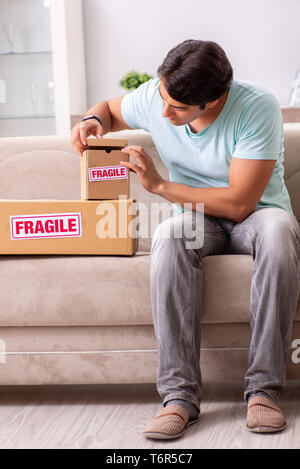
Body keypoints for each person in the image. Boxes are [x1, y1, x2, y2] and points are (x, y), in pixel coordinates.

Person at [71, 39, 300, 439]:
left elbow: (240, 205)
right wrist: (93, 120)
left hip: (257, 213)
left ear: (212, 101)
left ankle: (263, 391)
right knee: (170, 235)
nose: (162, 112)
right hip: (195, 217)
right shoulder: (160, 97)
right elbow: (108, 109)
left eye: (176, 107)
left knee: (280, 233)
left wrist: (159, 185)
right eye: (162, 97)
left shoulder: (256, 107)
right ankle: (179, 397)